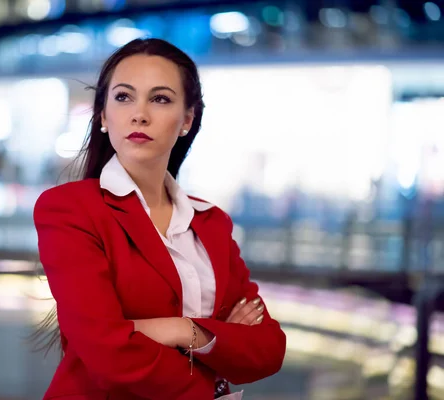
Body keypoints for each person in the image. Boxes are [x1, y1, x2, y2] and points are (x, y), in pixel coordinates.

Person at [33, 38, 286, 400]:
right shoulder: (70, 210)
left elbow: (268, 348)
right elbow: (110, 356)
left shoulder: (211, 223)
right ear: (103, 115)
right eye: (123, 97)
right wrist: (216, 348)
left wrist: (183, 331)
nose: (140, 114)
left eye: (160, 98)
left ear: (186, 120)